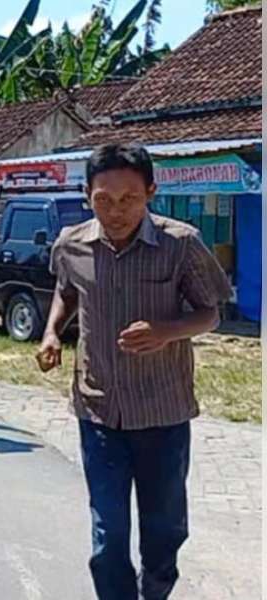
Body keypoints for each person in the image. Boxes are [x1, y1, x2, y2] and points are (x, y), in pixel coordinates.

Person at [36, 143, 233, 600]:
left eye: (129, 199)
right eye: (103, 199)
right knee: (107, 539)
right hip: (99, 412)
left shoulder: (180, 244)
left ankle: (156, 591)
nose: (116, 210)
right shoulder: (71, 244)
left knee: (163, 533)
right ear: (87, 195)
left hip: (162, 413)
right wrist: (51, 332)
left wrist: (166, 331)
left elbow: (211, 313)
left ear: (150, 192)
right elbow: (67, 291)